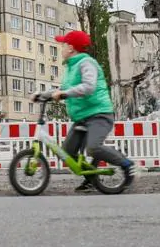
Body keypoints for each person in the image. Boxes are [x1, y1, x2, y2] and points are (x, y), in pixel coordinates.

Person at [46, 30, 136, 192]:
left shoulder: (87, 63)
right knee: (67, 152)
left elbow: (88, 87)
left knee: (93, 147)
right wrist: (41, 95)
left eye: (63, 45)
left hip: (99, 114)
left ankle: (127, 165)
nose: (61, 48)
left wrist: (64, 94)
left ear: (71, 48)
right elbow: (63, 89)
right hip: (82, 117)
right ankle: (90, 178)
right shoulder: (71, 68)